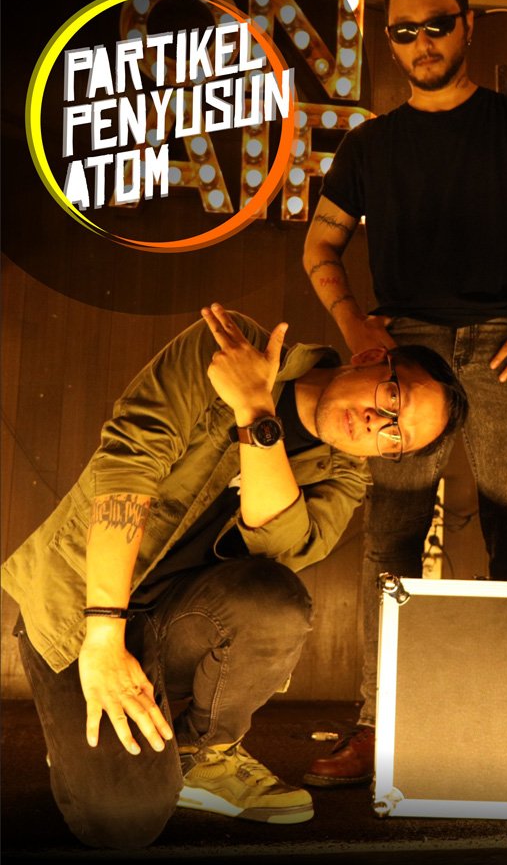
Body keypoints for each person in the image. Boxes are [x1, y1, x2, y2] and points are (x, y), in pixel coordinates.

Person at [1, 302, 467, 850]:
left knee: (275, 600)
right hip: (80, 617)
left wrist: (255, 411)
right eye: (392, 399)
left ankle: (203, 755)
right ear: (369, 359)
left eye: (395, 436)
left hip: (177, 627)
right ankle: (83, 744)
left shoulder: (343, 474)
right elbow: (128, 463)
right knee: (125, 819)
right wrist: (103, 633)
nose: (377, 424)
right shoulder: (229, 346)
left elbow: (273, 552)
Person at [301, 0, 507, 787]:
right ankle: (376, 725)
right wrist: (354, 325)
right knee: (389, 537)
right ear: (389, 42)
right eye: (405, 30)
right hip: (405, 348)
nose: (422, 41)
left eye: (437, 24)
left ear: (468, 25)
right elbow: (320, 244)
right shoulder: (370, 145)